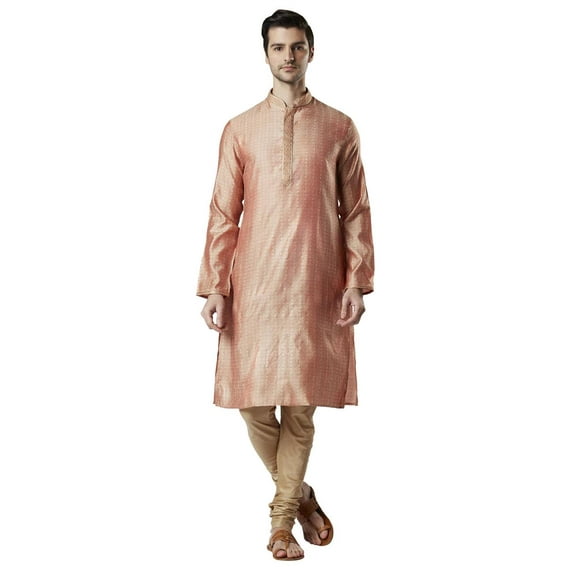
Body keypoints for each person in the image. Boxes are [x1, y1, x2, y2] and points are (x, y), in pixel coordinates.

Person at [197, 9, 374, 561]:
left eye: (297, 47)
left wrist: (356, 280)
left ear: (311, 52)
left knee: (299, 407)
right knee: (252, 403)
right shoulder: (240, 128)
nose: (288, 57)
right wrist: (217, 286)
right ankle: (301, 494)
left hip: (316, 283)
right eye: (278, 48)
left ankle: (279, 525)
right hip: (254, 285)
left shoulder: (340, 127)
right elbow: (223, 213)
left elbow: (356, 211)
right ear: (266, 54)